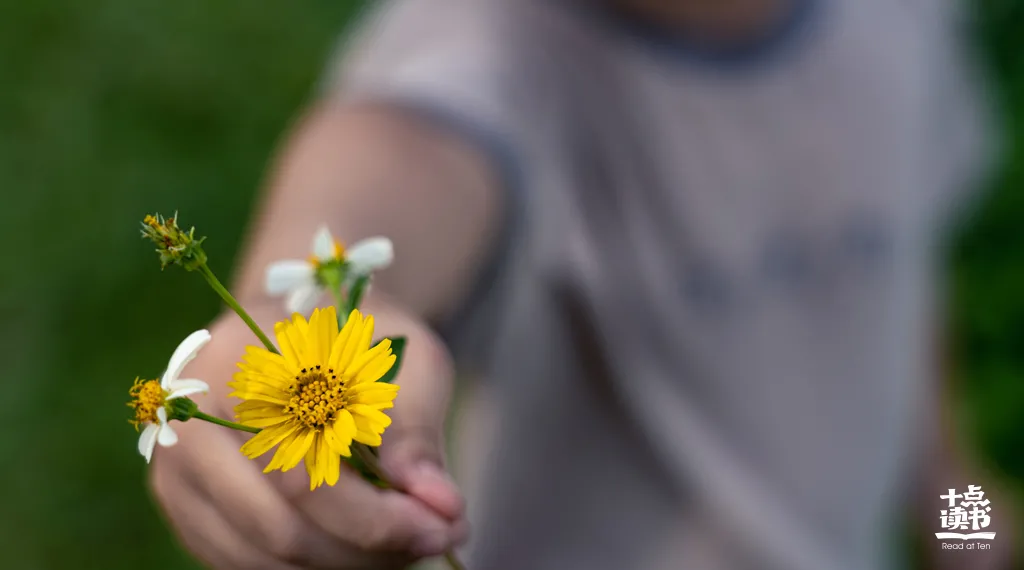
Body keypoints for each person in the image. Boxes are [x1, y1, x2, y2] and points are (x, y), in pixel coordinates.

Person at [149, 0, 1013, 568]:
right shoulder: (492, 49)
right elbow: (392, 158)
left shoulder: (905, 20)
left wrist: (955, 503)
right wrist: (278, 315)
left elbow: (897, 280)